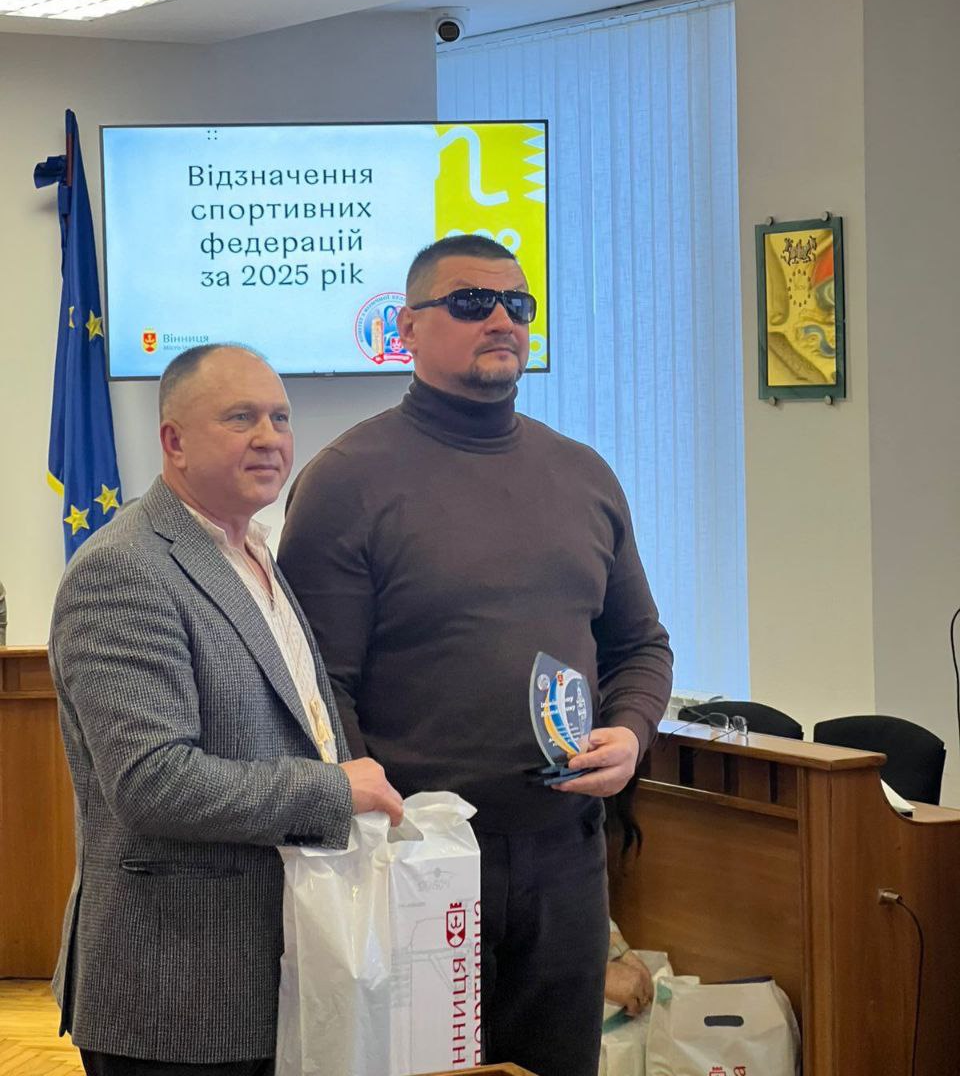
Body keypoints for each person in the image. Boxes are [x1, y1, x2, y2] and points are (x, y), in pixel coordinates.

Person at [278, 235, 673, 1076]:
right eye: (470, 302)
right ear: (407, 329)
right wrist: (383, 834)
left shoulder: (584, 475)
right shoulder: (347, 479)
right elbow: (317, 690)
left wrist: (632, 733)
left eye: (517, 304)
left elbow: (640, 645)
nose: (500, 318)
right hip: (417, 858)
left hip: (565, 858)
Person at [48, 344, 402, 1076]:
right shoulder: (124, 569)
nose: (270, 438)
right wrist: (335, 789)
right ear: (173, 441)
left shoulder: (255, 554)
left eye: (280, 418)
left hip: (278, 973)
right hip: (175, 994)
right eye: (241, 418)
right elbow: (153, 782)